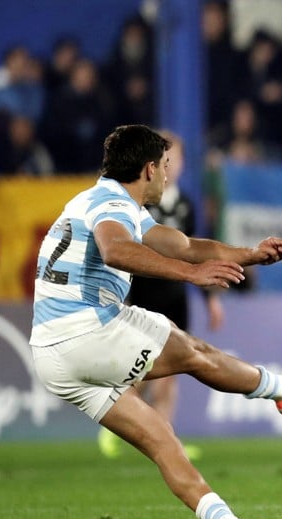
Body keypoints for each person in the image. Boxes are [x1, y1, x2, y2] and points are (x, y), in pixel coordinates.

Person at [29, 124, 282, 519]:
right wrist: (191, 275)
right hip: (85, 328)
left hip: (50, 354)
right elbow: (115, 250)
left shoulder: (100, 200)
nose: (167, 174)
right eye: (165, 165)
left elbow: (184, 245)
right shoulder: (112, 205)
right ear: (148, 169)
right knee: (193, 351)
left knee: (161, 437)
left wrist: (250, 255)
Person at [97, 130, 223, 461]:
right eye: (167, 160)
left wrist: (210, 299)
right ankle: (115, 418)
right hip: (145, 293)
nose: (172, 166)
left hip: (176, 295)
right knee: (142, 370)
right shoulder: (137, 203)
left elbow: (193, 252)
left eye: (176, 159)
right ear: (151, 166)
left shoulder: (185, 204)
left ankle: (167, 441)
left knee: (171, 373)